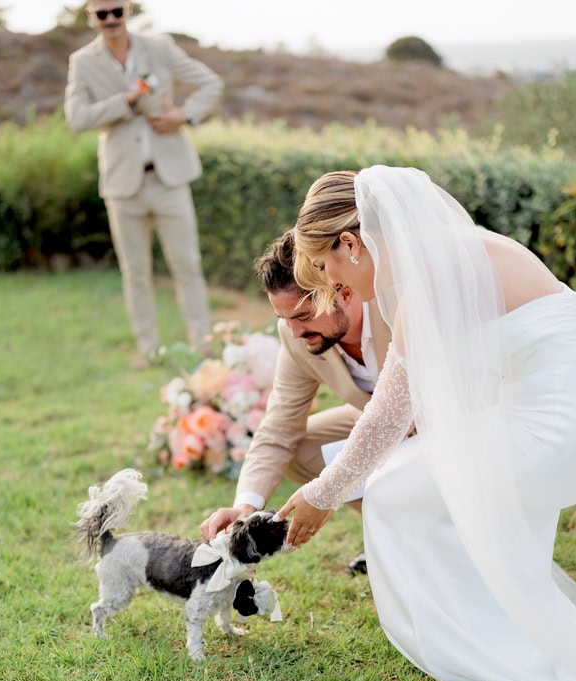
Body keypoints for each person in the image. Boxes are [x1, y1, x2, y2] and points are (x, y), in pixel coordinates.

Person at [276, 165, 576, 681]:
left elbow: (388, 418)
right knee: (414, 475)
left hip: (553, 431)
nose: (336, 287)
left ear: (352, 243)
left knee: (393, 493)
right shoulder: (461, 251)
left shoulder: (429, 283)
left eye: (327, 267)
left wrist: (322, 493)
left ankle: (482, 649)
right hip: (544, 414)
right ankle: (488, 620)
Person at [200, 229, 394, 574]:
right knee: (302, 447)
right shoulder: (296, 336)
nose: (293, 332)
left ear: (344, 291)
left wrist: (325, 492)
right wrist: (244, 508)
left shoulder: (394, 307)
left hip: (450, 425)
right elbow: (278, 430)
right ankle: (393, 533)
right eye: (284, 320)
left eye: (302, 317)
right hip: (378, 424)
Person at [64, 1, 223, 369]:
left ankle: (204, 344)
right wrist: (125, 101)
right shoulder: (83, 62)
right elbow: (76, 119)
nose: (110, 20)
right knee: (135, 272)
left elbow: (210, 83)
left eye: (116, 10)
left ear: (128, 10)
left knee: (188, 265)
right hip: (123, 185)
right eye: (101, 13)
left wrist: (184, 114)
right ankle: (149, 350)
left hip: (170, 178)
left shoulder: (160, 47)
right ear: (91, 15)